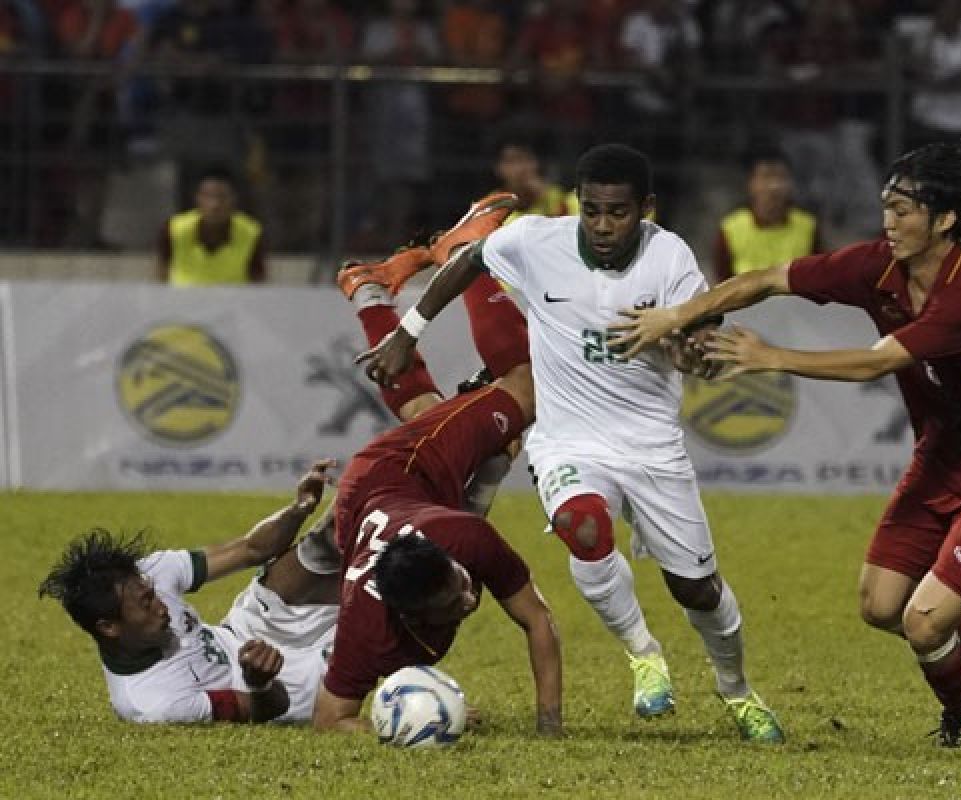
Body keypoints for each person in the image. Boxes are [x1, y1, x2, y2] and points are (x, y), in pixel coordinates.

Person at [609, 142, 961, 746]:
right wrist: (677, 316)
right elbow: (767, 279)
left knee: (925, 623)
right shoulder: (878, 267)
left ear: (945, 219)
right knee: (880, 604)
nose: (889, 222)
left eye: (904, 210)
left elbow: (876, 364)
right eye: (886, 208)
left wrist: (770, 358)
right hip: (941, 457)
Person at [357, 143, 785, 744]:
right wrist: (408, 331)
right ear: (578, 205)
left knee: (696, 589)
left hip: (651, 443)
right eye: (593, 211)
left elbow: (700, 340)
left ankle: (736, 689)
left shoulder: (670, 259)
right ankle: (643, 655)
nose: (603, 225)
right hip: (567, 438)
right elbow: (470, 260)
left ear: (647, 209)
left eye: (618, 213)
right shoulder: (539, 239)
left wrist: (694, 355)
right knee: (581, 527)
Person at [314, 194, 564, 737]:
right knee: (426, 411)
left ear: (448, 559)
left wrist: (550, 728)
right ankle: (368, 291)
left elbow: (537, 619)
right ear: (409, 613)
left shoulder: (463, 541)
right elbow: (329, 720)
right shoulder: (367, 627)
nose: (469, 598)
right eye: (454, 602)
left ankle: (465, 252)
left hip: (398, 471)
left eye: (459, 585)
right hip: (379, 500)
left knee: (527, 387)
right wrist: (402, 725)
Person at [38, 462, 340, 724]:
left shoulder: (146, 574)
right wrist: (258, 683)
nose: (162, 607)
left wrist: (299, 509)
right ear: (109, 627)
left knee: (333, 534)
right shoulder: (154, 703)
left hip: (247, 628)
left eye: (154, 594)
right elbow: (266, 710)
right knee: (375, 626)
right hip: (274, 684)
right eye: (146, 603)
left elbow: (250, 549)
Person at [713, 147, 820, 284]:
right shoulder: (730, 230)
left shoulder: (808, 226)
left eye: (781, 177)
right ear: (751, 183)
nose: (774, 186)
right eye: (766, 177)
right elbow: (721, 286)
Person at [157, 166, 266, 286]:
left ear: (234, 199)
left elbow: (259, 283)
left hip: (233, 302)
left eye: (222, 197)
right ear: (197, 198)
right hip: (183, 302)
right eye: (208, 196)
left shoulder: (251, 232)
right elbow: (161, 278)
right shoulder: (173, 229)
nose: (215, 204)